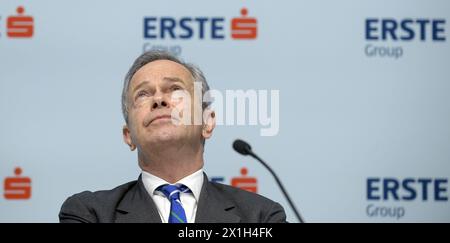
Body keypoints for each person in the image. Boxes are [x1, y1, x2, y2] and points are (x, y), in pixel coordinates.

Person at [59, 50, 287, 223]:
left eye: (175, 90)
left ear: (207, 122)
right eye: (143, 94)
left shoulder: (260, 216)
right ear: (129, 136)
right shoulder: (89, 214)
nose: (159, 100)